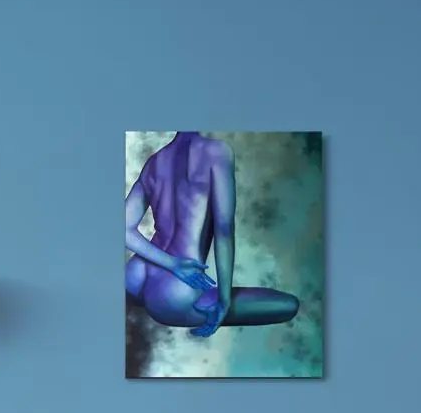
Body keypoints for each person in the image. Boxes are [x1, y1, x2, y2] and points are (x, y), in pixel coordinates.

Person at [125, 132, 300, 337]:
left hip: (135, 275)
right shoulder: (216, 152)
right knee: (288, 305)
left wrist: (171, 263)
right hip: (175, 290)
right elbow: (224, 230)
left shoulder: (155, 162)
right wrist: (224, 301)